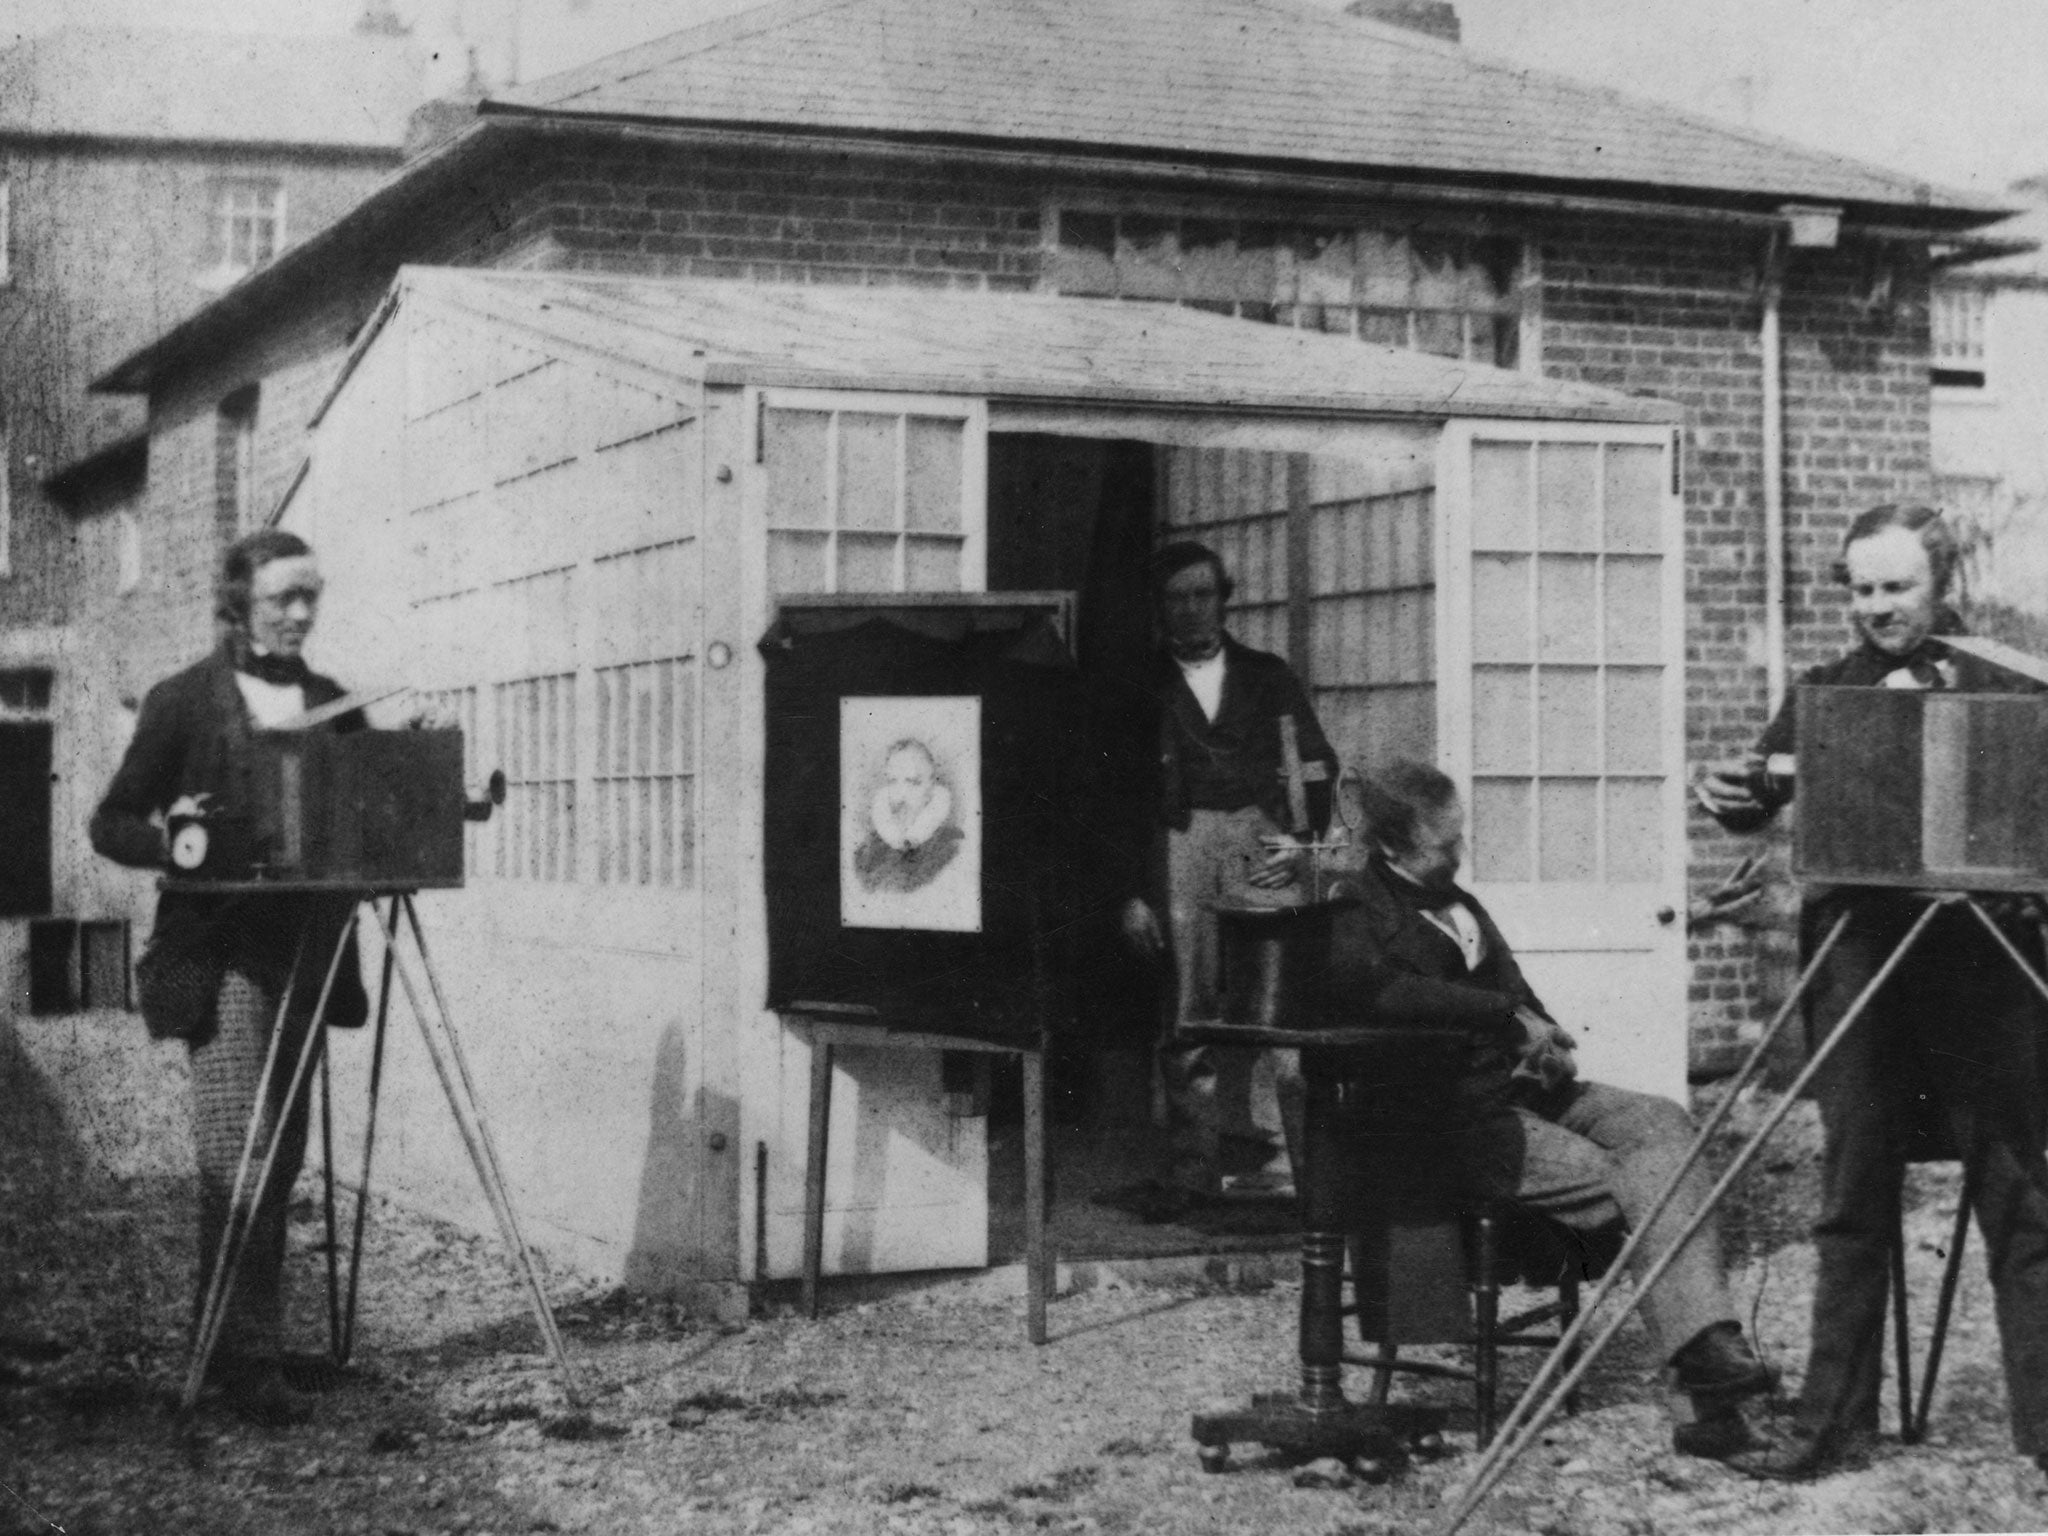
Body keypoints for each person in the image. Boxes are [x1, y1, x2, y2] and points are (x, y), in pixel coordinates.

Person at [1699, 503, 2048, 1480]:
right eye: (1860, 588)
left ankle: (2047, 1424)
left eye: (1896, 587)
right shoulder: (1820, 694)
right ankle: (1829, 1427)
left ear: (1939, 587)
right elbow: (1754, 795)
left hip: (1978, 974)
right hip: (1859, 967)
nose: (1877, 607)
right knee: (1850, 1194)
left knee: (2017, 1196)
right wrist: (1729, 796)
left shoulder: (2008, 689)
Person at [1335, 759, 1776, 1456]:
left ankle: (1706, 1353)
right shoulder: (1357, 912)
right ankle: (1703, 1397)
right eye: (1442, 844)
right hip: (1454, 1124)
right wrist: (1507, 1017)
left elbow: (1522, 994)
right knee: (1636, 1182)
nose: (1459, 853)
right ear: (1391, 846)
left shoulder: (1462, 904)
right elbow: (1387, 995)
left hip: (1525, 1092)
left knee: (1665, 1124)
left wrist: (1546, 1037)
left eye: (1460, 837)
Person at [91, 528, 369, 1427]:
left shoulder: (334, 703)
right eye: (284, 596)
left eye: (311, 596)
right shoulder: (182, 702)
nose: (300, 612)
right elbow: (111, 822)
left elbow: (367, 812)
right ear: (238, 601)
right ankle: (247, 1362)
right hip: (220, 955)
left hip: (308, 953)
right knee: (233, 1155)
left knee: (278, 1156)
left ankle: (228, 1348)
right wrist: (174, 834)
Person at [1120, 540, 1339, 1211]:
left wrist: (1302, 843)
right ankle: (1194, 1171)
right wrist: (1132, 891)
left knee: (1282, 1009)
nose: (1191, 609)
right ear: (1160, 608)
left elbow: (1316, 763)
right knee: (1187, 1009)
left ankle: (1289, 1169)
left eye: (1203, 594)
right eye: (1177, 597)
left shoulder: (1267, 674)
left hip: (1258, 839)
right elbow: (1114, 795)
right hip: (1178, 841)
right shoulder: (1138, 683)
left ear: (1224, 598)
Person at [852, 737, 964, 894]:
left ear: (931, 786)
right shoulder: (866, 852)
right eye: (892, 781)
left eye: (913, 782)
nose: (901, 793)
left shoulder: (953, 850)